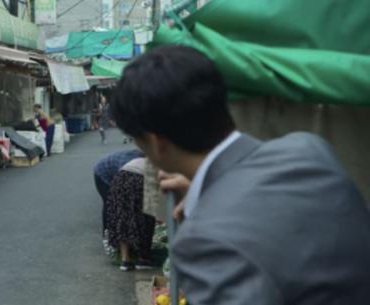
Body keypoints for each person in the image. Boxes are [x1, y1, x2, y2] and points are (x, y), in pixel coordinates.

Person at [110, 45, 370, 304]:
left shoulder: (203, 241)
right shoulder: (309, 149)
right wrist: (208, 199)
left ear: (156, 143)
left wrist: (208, 210)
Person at [104, 157, 157, 271]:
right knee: (145, 218)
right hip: (139, 180)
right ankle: (143, 258)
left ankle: (125, 260)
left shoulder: (144, 158)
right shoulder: (165, 164)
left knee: (122, 218)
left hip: (120, 179)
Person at [93, 149, 144, 234]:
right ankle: (107, 234)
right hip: (102, 174)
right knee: (110, 204)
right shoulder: (128, 166)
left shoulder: (144, 161)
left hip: (117, 169)